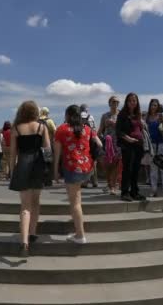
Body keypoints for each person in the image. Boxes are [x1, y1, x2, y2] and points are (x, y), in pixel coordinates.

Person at [54, 105, 103, 244]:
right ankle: (77, 221)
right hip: (87, 168)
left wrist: (55, 171)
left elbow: (57, 153)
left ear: (68, 115)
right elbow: (99, 144)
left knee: (74, 202)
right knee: (77, 198)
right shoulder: (87, 129)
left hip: (71, 167)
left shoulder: (61, 129)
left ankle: (80, 235)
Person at [9, 101, 51, 256]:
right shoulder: (42, 127)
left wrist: (13, 171)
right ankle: (33, 232)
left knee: (25, 206)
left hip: (23, 166)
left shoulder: (16, 129)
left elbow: (13, 154)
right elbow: (47, 151)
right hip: (38, 166)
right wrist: (50, 170)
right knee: (36, 201)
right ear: (35, 112)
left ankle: (24, 242)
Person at [116, 93, 146, 202]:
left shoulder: (138, 115)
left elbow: (140, 130)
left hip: (138, 145)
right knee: (127, 169)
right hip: (127, 144)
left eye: (134, 100)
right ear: (126, 102)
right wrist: (128, 138)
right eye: (130, 100)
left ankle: (134, 192)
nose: (132, 102)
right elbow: (118, 131)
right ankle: (125, 192)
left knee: (136, 169)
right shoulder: (122, 114)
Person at [145, 99, 163, 198]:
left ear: (158, 106)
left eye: (155, 105)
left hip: (162, 144)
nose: (153, 107)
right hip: (152, 145)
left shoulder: (161, 116)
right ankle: (153, 190)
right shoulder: (147, 118)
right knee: (153, 169)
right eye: (152, 105)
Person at [97, 96, 121, 195]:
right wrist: (101, 139)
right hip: (107, 142)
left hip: (118, 142)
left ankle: (113, 186)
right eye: (113, 101)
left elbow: (124, 129)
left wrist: (114, 124)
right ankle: (109, 183)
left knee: (115, 164)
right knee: (106, 165)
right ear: (109, 103)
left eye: (117, 102)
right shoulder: (104, 115)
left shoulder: (121, 115)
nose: (115, 103)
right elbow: (100, 131)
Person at [80, 104, 98, 188]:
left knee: (85, 160)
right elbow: (94, 129)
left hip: (84, 141)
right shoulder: (91, 117)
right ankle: (95, 181)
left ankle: (85, 181)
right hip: (93, 140)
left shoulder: (79, 117)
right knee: (93, 161)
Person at [39, 107, 56, 186]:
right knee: (48, 163)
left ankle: (40, 180)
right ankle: (48, 181)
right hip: (47, 145)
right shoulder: (49, 121)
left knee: (40, 162)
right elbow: (55, 131)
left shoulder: (37, 121)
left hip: (38, 145)